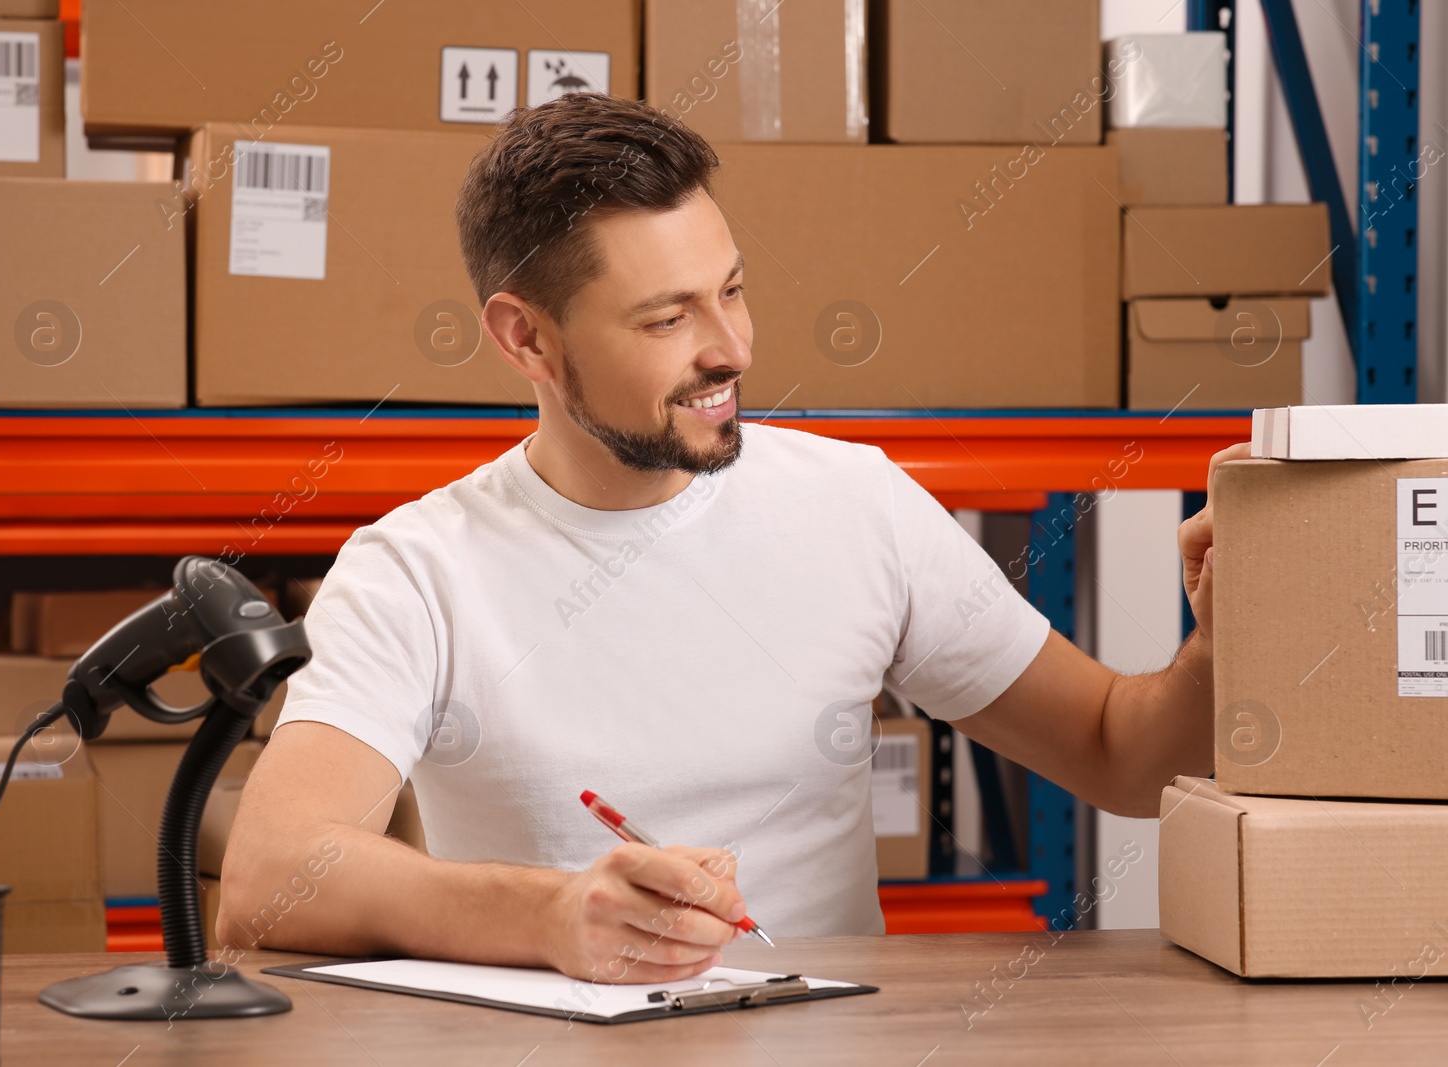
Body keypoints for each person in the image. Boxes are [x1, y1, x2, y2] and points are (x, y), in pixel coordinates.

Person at [219, 92, 1245, 984]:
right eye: (667, 318)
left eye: (733, 288)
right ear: (524, 337)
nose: (732, 348)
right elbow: (269, 878)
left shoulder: (855, 505)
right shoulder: (419, 569)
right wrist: (546, 917)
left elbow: (1119, 757)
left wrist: (1213, 642)